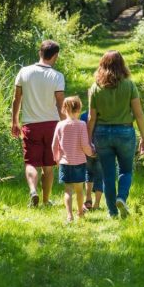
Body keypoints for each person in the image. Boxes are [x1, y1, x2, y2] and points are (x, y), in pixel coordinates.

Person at [87, 50, 144, 218]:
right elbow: (139, 114)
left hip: (101, 134)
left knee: (108, 175)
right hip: (125, 132)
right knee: (126, 170)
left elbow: (92, 118)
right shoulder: (129, 85)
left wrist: (88, 140)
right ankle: (121, 197)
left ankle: (112, 212)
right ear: (122, 65)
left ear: (102, 65)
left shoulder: (95, 88)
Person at [11, 40, 65, 207]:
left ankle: (33, 191)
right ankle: (46, 200)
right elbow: (60, 103)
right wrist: (65, 126)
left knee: (31, 163)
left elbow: (16, 98)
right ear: (55, 56)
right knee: (48, 166)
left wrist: (14, 121)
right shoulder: (57, 76)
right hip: (52, 126)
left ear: (40, 53)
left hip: (30, 125)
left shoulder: (24, 72)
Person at [51, 96, 95, 224]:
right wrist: (90, 153)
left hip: (65, 162)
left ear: (64, 109)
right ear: (80, 108)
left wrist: (57, 159)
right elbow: (84, 144)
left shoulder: (60, 125)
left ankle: (69, 216)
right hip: (79, 163)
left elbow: (54, 145)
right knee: (79, 191)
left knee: (68, 190)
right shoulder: (81, 124)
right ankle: (80, 213)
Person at [80, 110, 103, 211]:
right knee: (100, 175)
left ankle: (88, 199)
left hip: (88, 149)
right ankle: (97, 204)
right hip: (102, 149)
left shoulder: (84, 116)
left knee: (88, 172)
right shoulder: (105, 115)